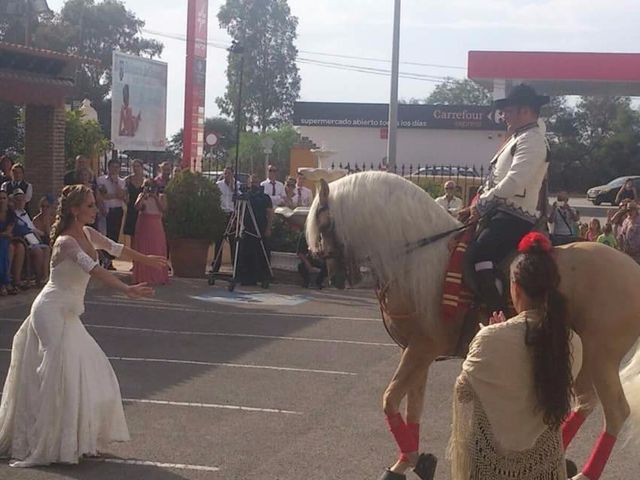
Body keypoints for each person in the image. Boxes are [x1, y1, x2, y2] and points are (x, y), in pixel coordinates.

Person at [0, 185, 167, 467]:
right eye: (90, 205)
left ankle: (77, 438)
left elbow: (116, 248)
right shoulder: (66, 242)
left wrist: (145, 259)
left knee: (91, 368)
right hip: (50, 311)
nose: (95, 209)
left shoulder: (88, 233)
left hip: (69, 312)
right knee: (59, 373)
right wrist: (127, 289)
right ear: (75, 210)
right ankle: (47, 441)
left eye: (94, 204)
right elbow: (95, 269)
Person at [448, 232, 582, 480]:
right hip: (544, 465)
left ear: (516, 288)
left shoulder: (490, 340)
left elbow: (464, 391)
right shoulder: (571, 341)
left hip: (491, 465)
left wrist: (490, 334)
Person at [457, 84, 550, 314]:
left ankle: (498, 314)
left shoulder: (533, 140)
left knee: (479, 254)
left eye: (509, 110)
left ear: (525, 111)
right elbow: (495, 179)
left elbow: (514, 181)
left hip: (515, 215)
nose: (504, 115)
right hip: (501, 212)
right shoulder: (518, 138)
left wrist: (483, 203)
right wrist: (474, 205)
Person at [237, 174, 273, 286]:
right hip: (248, 230)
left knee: (262, 253)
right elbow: (238, 212)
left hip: (261, 229)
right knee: (247, 253)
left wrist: (268, 228)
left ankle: (264, 277)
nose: (254, 185)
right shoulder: (245, 196)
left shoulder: (265, 197)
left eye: (256, 183)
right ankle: (248, 278)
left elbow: (270, 213)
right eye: (252, 183)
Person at [11, 189, 51, 288]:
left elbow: (33, 229)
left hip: (31, 238)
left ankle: (44, 277)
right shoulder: (12, 214)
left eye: (22, 200)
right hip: (22, 239)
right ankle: (38, 278)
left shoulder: (24, 212)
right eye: (18, 200)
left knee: (46, 248)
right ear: (14, 201)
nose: (21, 202)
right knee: (38, 251)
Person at [132, 178, 169, 285]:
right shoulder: (142, 196)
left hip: (156, 225)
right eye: (147, 187)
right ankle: (143, 275)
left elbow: (163, 209)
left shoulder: (161, 197)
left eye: (151, 187)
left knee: (157, 248)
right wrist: (143, 196)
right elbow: (137, 207)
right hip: (144, 224)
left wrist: (155, 197)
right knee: (144, 249)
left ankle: (158, 275)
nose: (149, 189)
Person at [97, 160, 126, 270]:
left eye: (117, 167)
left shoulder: (121, 181)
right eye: (112, 167)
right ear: (108, 168)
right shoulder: (101, 180)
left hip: (117, 210)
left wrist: (115, 183)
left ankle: (110, 260)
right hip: (105, 210)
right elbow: (103, 195)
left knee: (114, 236)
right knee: (104, 235)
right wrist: (114, 195)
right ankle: (103, 258)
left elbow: (121, 195)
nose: (114, 169)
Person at [212, 166, 238, 273]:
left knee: (233, 241)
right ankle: (216, 266)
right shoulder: (219, 185)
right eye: (225, 173)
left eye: (229, 173)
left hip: (232, 215)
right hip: (222, 214)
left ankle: (235, 266)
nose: (227, 175)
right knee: (219, 241)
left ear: (232, 174)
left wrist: (233, 188)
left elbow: (239, 199)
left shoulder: (237, 185)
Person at [123, 159, 145, 246]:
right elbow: (123, 193)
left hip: (142, 210)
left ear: (142, 168)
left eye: (138, 166)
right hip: (131, 208)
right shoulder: (127, 180)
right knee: (132, 234)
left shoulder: (145, 181)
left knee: (142, 233)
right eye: (134, 166)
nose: (136, 168)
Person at [0, 190, 17, 295]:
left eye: (4, 198)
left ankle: (3, 282)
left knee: (5, 247)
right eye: (0, 198)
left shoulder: (11, 213)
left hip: (4, 240)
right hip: (4, 239)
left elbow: (8, 232)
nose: (2, 201)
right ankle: (5, 282)